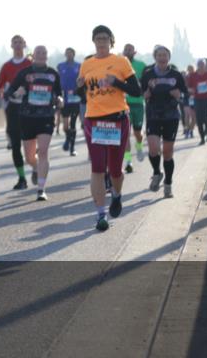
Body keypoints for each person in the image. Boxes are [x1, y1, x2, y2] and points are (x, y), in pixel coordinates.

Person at [77, 25, 141, 231]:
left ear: (111, 41)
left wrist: (117, 83)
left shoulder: (121, 61)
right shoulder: (86, 64)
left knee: (115, 169)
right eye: (98, 38)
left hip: (117, 120)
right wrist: (79, 87)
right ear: (93, 41)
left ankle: (116, 194)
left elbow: (136, 90)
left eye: (105, 38)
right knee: (97, 167)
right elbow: (83, 95)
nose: (101, 41)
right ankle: (100, 215)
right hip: (94, 120)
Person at [8, 45, 62, 200]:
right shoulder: (25, 73)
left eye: (44, 52)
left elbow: (59, 94)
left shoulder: (53, 74)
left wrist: (60, 100)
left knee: (43, 151)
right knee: (30, 158)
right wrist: (17, 93)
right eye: (38, 52)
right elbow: (10, 91)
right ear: (33, 55)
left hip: (46, 117)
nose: (41, 55)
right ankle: (36, 168)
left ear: (47, 56)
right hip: (27, 117)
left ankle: (41, 189)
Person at [141, 45, 187, 199]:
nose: (162, 58)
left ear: (169, 57)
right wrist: (146, 94)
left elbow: (185, 94)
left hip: (171, 116)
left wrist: (178, 95)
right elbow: (142, 93)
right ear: (155, 57)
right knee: (153, 149)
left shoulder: (176, 74)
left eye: (164, 55)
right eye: (159, 55)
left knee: (167, 153)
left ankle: (168, 184)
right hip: (153, 114)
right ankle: (156, 173)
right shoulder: (147, 74)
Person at [0, 35, 33, 189]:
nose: (17, 45)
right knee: (16, 145)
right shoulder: (6, 66)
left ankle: (36, 166)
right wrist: (8, 92)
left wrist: (26, 90)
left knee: (30, 147)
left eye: (20, 42)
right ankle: (22, 178)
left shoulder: (30, 64)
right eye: (15, 43)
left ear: (24, 45)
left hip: (29, 108)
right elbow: (0, 86)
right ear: (11, 45)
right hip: (13, 108)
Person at [121, 43, 147, 173]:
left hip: (138, 103)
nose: (127, 51)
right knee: (125, 135)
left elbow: (146, 82)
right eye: (126, 49)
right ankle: (128, 161)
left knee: (137, 133)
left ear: (134, 52)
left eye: (130, 50)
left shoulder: (141, 65)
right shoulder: (118, 64)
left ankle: (139, 146)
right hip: (124, 104)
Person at [57, 47, 81, 156]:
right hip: (64, 98)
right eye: (67, 53)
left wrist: (78, 90)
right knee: (65, 126)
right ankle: (67, 138)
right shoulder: (60, 66)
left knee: (73, 124)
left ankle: (72, 147)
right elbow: (57, 80)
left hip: (75, 98)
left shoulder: (79, 66)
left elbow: (82, 80)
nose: (69, 55)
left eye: (70, 53)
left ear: (74, 54)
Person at [188, 58, 207, 144]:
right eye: (199, 66)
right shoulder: (193, 76)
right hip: (197, 100)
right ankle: (202, 138)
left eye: (203, 66)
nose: (201, 67)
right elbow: (189, 87)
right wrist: (192, 90)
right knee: (199, 119)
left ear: (205, 66)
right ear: (197, 66)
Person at [183, 64, 197, 139]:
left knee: (194, 117)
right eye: (189, 69)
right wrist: (188, 89)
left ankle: (191, 130)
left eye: (192, 69)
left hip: (195, 98)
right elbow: (183, 87)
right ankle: (187, 130)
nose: (190, 70)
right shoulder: (186, 77)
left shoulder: (196, 77)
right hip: (187, 97)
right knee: (187, 115)